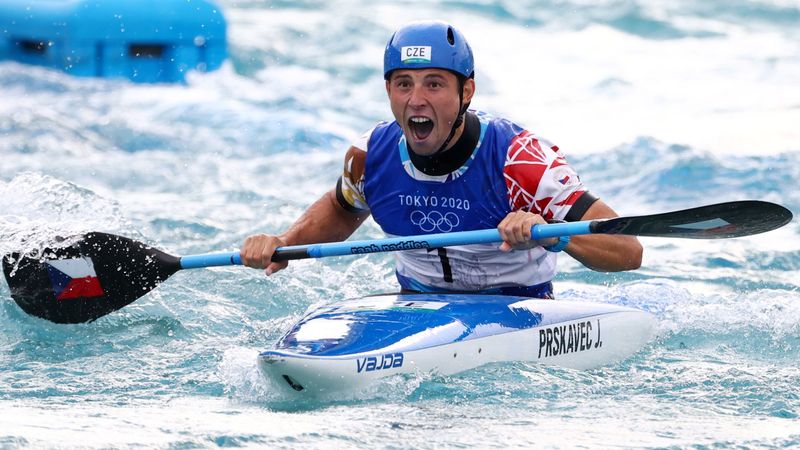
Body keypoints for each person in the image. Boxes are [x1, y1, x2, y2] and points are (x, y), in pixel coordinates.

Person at [241, 20, 642, 298]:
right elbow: (343, 208)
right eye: (403, 85)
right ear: (388, 90)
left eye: (434, 84)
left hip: (518, 307)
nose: (416, 100)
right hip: (414, 304)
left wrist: (556, 233)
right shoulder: (370, 155)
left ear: (466, 91)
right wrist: (285, 242)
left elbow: (628, 250)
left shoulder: (521, 160)